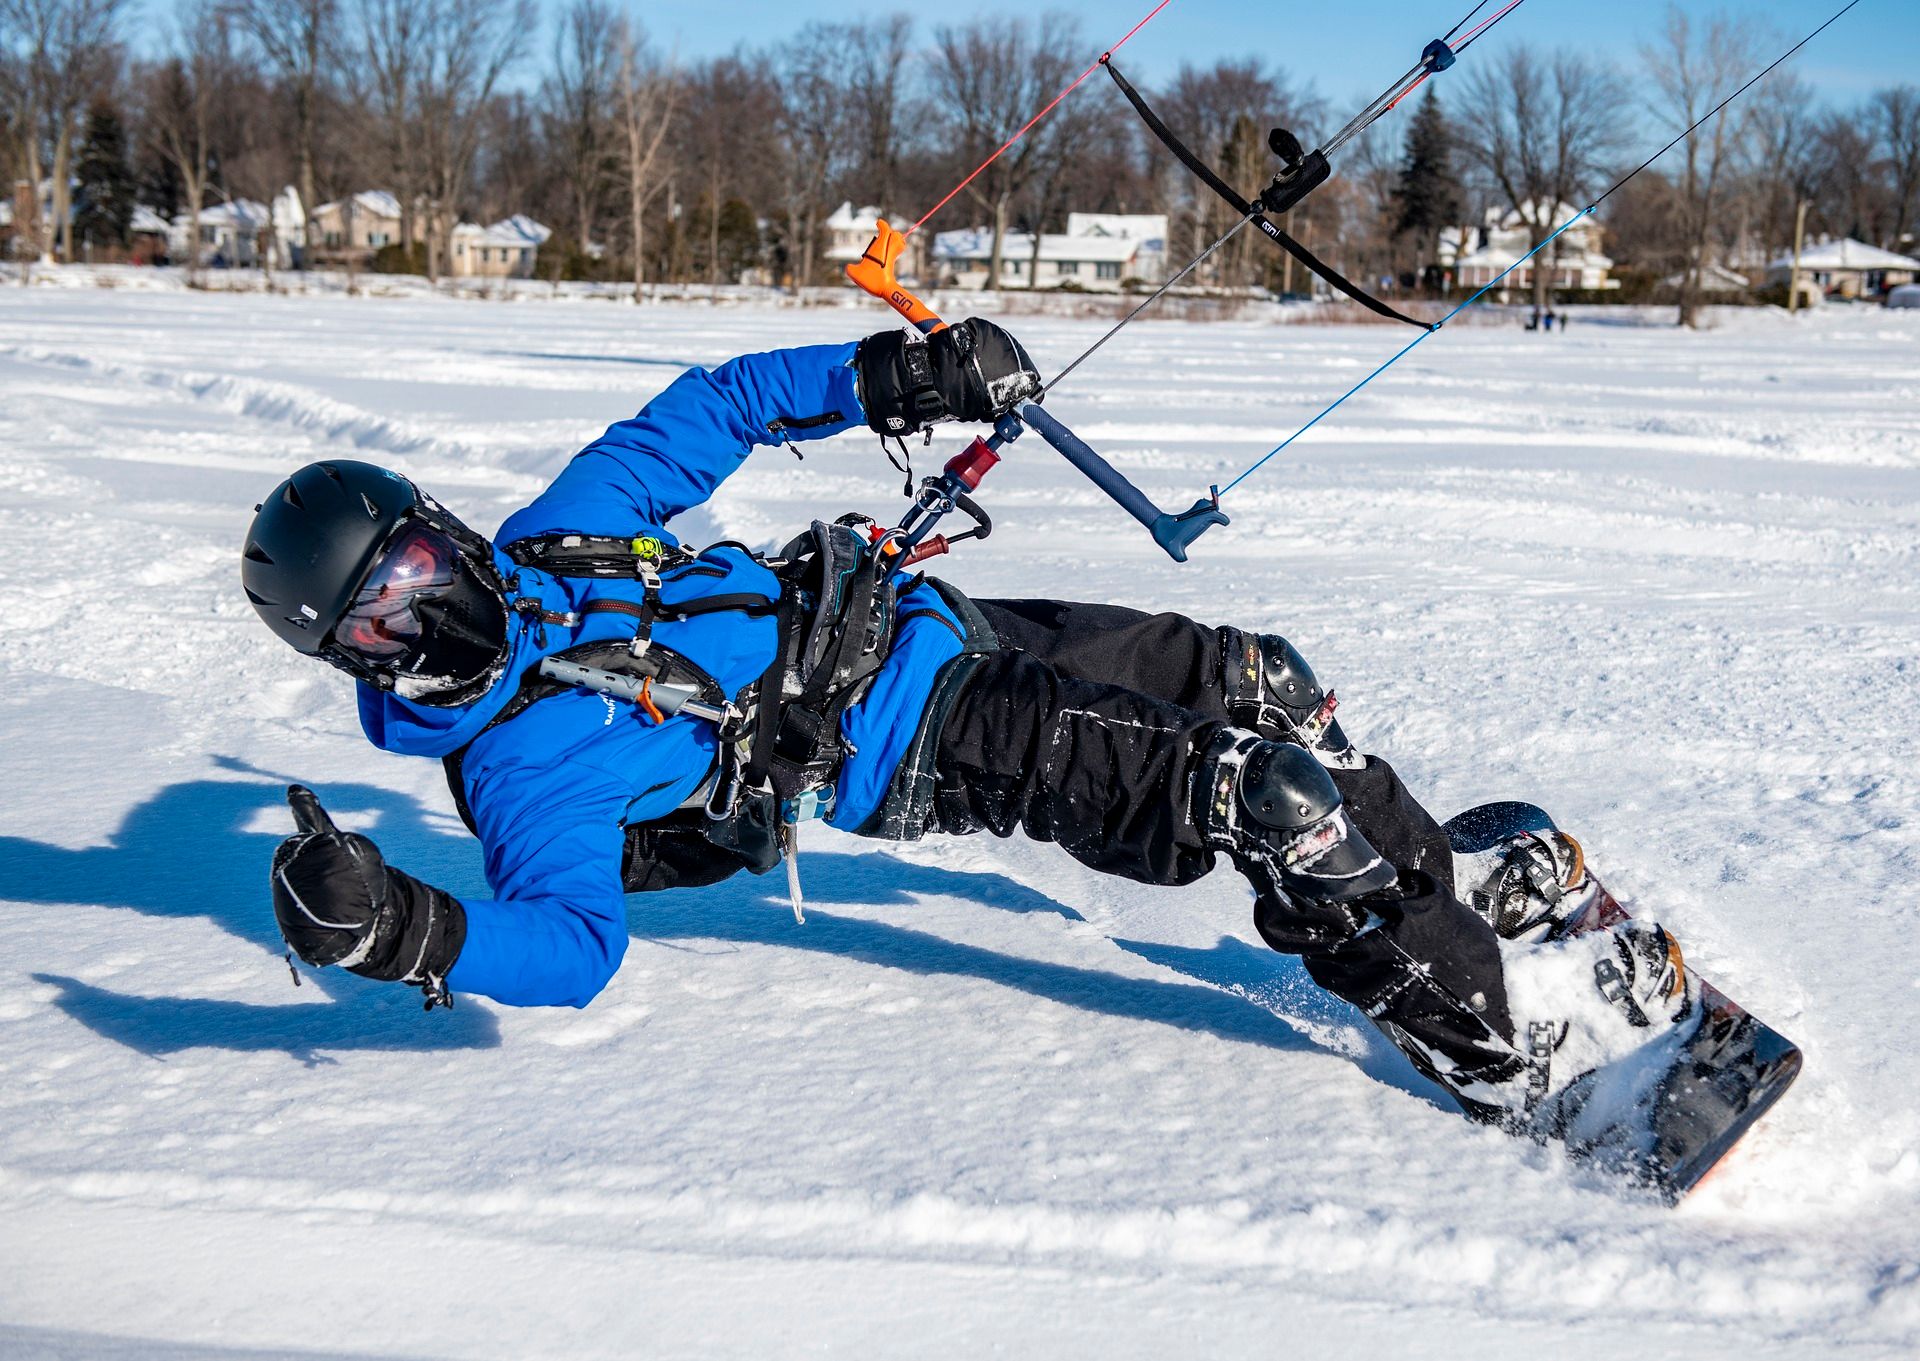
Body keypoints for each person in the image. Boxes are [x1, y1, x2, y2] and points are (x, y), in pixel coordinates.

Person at [243, 320, 1694, 1128]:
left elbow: (720, 404)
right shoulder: (516, 772)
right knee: (1257, 794)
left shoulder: (563, 532)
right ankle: (1505, 1045)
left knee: (1266, 684)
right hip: (926, 745)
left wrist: (893, 376)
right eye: (380, 619)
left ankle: (1430, 879)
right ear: (347, 655)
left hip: (948, 623)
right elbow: (571, 948)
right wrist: (411, 934)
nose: (421, 614)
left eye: (417, 567)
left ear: (438, 526)